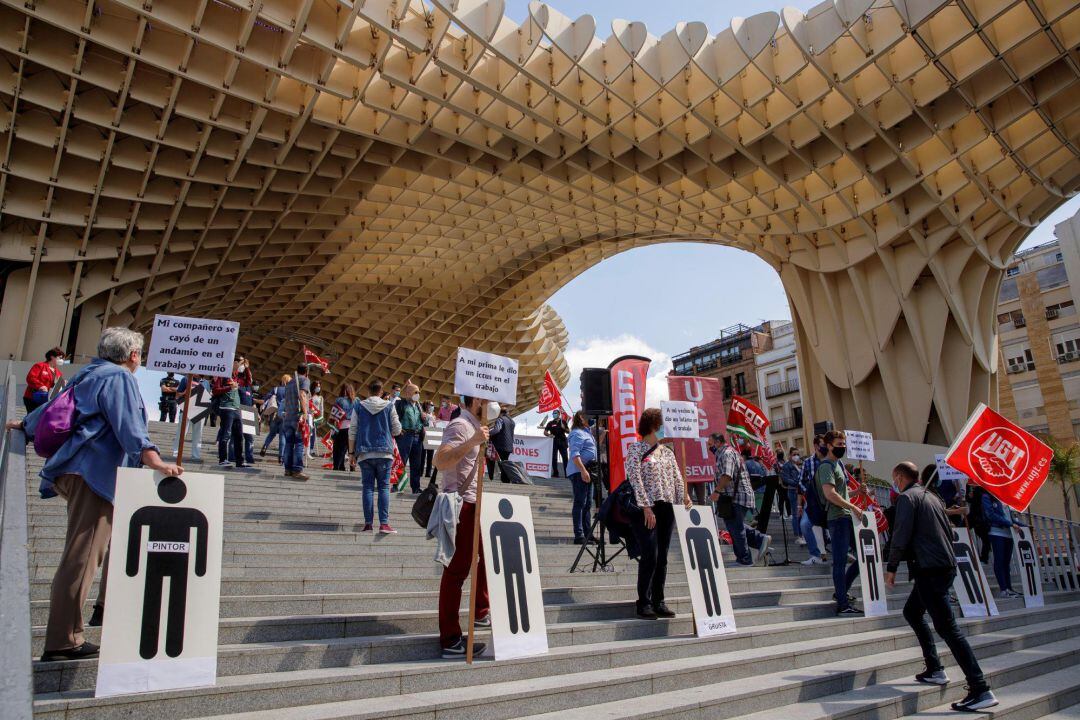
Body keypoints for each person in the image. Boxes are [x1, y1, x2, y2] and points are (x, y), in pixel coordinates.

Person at [7, 327, 182, 661]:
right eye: (139, 354)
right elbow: (129, 425)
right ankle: (63, 640)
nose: (140, 359)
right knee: (83, 555)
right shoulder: (120, 378)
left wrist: (25, 427)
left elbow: (54, 408)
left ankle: (100, 610)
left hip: (76, 469)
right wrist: (154, 459)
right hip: (95, 473)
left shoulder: (89, 373)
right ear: (133, 355)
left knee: (98, 547)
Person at [885, 462, 998, 712]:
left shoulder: (907, 499)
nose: (895, 483)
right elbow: (947, 530)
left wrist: (891, 566)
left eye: (895, 479)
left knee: (948, 628)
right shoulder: (933, 497)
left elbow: (901, 533)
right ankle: (934, 668)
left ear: (900, 478)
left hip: (929, 569)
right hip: (943, 564)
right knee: (912, 612)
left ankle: (979, 687)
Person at [433, 395, 491, 658]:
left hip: (474, 505)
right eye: (488, 400)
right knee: (456, 572)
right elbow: (441, 460)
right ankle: (450, 638)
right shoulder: (460, 425)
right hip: (462, 506)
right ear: (477, 399)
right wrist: (473, 441)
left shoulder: (473, 425)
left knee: (486, 560)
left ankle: (480, 611)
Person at [625, 408, 691, 618]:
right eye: (662, 424)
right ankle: (643, 601)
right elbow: (635, 478)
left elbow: (677, 477)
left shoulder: (668, 452)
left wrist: (684, 496)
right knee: (650, 554)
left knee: (662, 556)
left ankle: (659, 600)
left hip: (667, 507)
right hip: (647, 508)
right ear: (653, 425)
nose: (664, 428)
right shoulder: (636, 449)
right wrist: (645, 507)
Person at [815, 430, 864, 615]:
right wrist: (853, 507)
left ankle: (842, 591)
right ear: (828, 445)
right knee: (840, 561)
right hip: (837, 518)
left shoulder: (838, 464)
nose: (842, 447)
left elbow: (840, 494)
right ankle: (842, 603)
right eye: (839, 444)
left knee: (861, 557)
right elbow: (830, 494)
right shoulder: (826, 466)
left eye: (844, 444)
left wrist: (856, 493)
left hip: (844, 516)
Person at [710, 433, 771, 566]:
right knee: (734, 525)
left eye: (710, 444)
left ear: (718, 442)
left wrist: (716, 491)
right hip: (735, 496)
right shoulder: (726, 453)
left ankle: (744, 559)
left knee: (735, 528)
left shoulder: (726, 454)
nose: (709, 447)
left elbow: (727, 475)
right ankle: (761, 539)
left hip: (737, 496)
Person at [349, 380, 400, 533]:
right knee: (384, 487)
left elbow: (352, 430)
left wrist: (351, 453)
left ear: (368, 390)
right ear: (381, 391)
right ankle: (384, 524)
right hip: (384, 451)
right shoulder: (389, 406)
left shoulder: (359, 406)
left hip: (365, 452)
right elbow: (397, 429)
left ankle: (368, 524)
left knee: (368, 488)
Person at [983, 494, 1023, 599]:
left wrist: (1024, 526)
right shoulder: (987, 496)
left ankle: (1009, 588)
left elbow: (1010, 518)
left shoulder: (1005, 498)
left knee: (1006, 562)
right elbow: (990, 515)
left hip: (1009, 534)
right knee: (999, 561)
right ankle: (1003, 589)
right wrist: (1009, 523)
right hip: (996, 532)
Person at [567, 411, 597, 544]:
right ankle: (579, 535)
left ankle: (587, 533)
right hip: (580, 472)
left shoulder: (587, 432)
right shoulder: (577, 433)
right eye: (588, 416)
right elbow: (575, 454)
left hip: (588, 471)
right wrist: (583, 470)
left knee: (588, 504)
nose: (591, 419)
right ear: (581, 417)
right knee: (580, 503)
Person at [211, 360, 246, 469]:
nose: (240, 366)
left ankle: (239, 461)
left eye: (241, 364)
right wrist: (229, 387)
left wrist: (247, 368)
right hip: (226, 408)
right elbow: (215, 390)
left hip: (236, 409)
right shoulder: (223, 376)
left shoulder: (236, 377)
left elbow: (248, 382)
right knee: (226, 434)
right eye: (238, 363)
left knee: (239, 436)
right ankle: (222, 459)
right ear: (232, 364)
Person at [394, 382, 425, 493]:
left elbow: (423, 422)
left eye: (418, 392)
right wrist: (398, 429)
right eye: (415, 392)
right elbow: (394, 417)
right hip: (405, 435)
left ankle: (415, 487)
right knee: (401, 461)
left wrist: (424, 418)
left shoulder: (418, 405)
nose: (418, 394)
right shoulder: (401, 404)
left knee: (416, 463)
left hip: (417, 436)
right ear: (409, 393)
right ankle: (397, 485)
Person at [281, 364, 311, 481]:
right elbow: (302, 395)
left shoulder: (289, 383)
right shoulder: (305, 380)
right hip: (298, 418)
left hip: (288, 417)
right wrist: (304, 412)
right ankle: (297, 470)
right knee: (299, 443)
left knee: (289, 443)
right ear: (306, 371)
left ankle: (287, 469)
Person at [171, 375, 208, 462]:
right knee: (182, 432)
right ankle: (176, 453)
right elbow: (177, 395)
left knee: (198, 434)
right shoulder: (186, 379)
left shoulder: (206, 382)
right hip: (186, 408)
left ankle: (196, 455)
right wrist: (185, 392)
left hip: (200, 409)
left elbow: (208, 395)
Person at [24, 347, 66, 412]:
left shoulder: (58, 373)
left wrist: (63, 384)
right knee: (32, 418)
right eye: (60, 358)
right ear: (52, 357)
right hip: (33, 397)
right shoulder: (40, 366)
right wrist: (40, 386)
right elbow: (30, 378)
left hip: (46, 400)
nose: (61, 360)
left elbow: (57, 388)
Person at [260, 375, 290, 459]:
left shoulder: (276, 389)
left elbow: (266, 398)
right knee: (282, 436)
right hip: (284, 415)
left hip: (274, 415)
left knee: (272, 433)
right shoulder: (290, 391)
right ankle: (281, 457)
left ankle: (265, 446)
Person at [330, 383, 355, 471]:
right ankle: (352, 467)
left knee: (339, 448)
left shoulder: (339, 400)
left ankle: (338, 466)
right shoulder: (356, 401)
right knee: (351, 449)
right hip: (352, 427)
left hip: (341, 426)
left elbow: (333, 415)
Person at [487, 405, 515, 481]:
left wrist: (488, 433)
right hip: (509, 446)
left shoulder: (500, 419)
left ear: (500, 413)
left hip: (501, 445)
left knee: (501, 463)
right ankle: (506, 480)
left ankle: (505, 480)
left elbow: (497, 430)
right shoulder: (512, 421)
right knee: (505, 462)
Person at [780, 448, 801, 538]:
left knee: (800, 512)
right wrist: (797, 483)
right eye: (794, 454)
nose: (796, 456)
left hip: (800, 492)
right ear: (790, 455)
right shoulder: (786, 466)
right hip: (792, 491)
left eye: (797, 454)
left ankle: (801, 531)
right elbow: (785, 478)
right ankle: (797, 533)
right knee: (795, 513)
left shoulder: (800, 465)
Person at [544, 411, 569, 477]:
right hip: (554, 441)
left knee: (565, 458)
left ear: (559, 414)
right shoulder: (550, 423)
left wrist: (564, 428)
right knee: (554, 458)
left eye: (555, 413)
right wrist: (549, 435)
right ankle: (555, 473)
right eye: (553, 414)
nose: (554, 415)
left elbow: (568, 431)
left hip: (562, 441)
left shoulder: (563, 422)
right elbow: (545, 432)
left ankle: (567, 473)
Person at [421, 401, 436, 477]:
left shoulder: (433, 415)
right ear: (426, 405)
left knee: (430, 456)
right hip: (424, 434)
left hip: (432, 434)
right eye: (431, 405)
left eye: (433, 405)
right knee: (422, 455)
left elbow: (434, 425)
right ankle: (420, 471)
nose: (432, 406)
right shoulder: (423, 413)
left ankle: (428, 472)